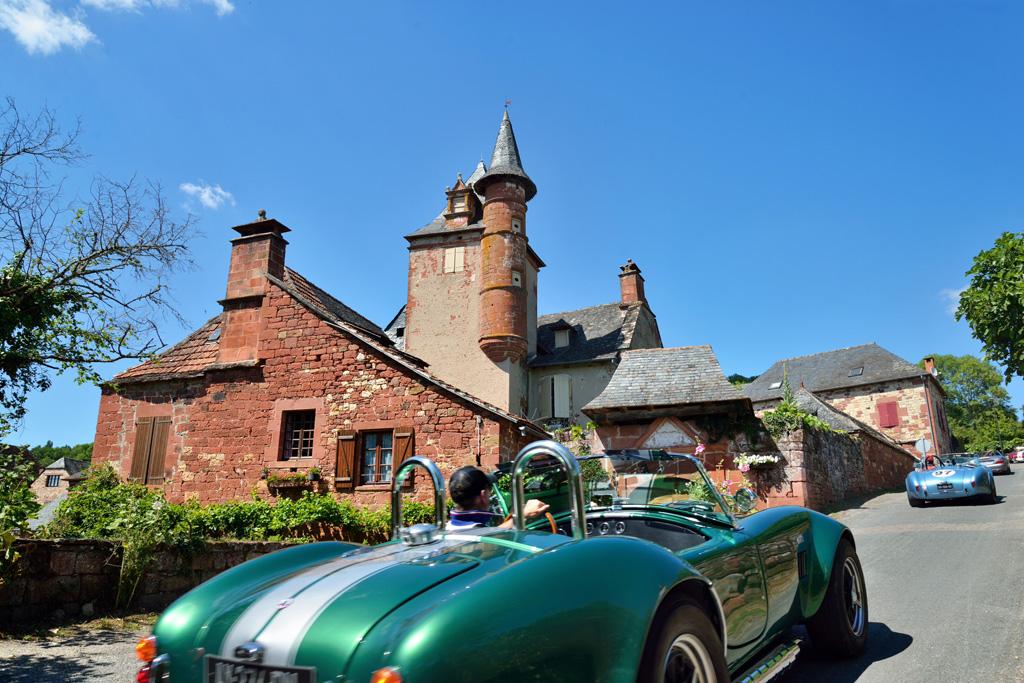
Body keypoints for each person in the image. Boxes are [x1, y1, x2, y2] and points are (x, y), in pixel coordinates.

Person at [446, 466, 550, 530]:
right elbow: (492, 536)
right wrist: (524, 514)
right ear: (483, 495)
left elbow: (492, 532)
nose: (490, 494)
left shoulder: (448, 527)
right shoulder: (481, 539)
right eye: (489, 489)